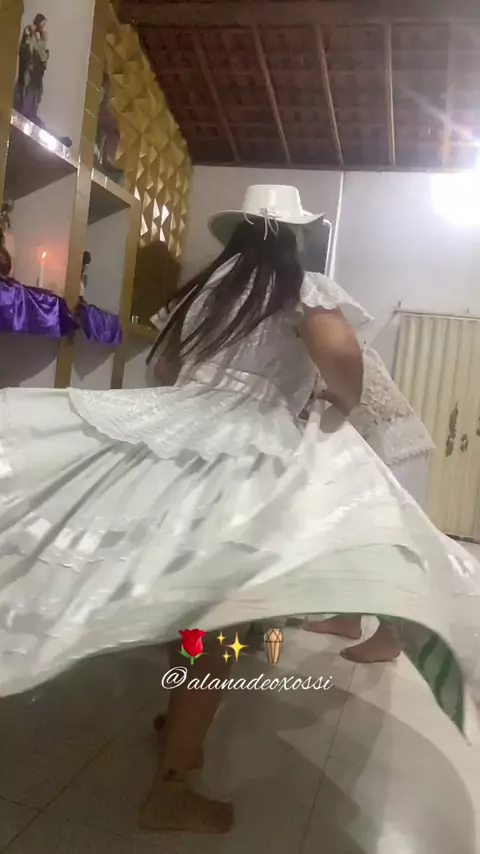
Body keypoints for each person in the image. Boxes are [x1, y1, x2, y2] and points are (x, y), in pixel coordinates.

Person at [1, 185, 480, 834]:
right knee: (224, 615)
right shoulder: (300, 287)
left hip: (182, 433)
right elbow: (342, 357)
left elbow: (165, 366)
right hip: (248, 450)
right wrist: (335, 404)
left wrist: (203, 398)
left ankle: (179, 724)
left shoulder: (210, 290)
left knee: (192, 597)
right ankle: (172, 783)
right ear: (292, 235)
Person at [302, 342, 434, 662]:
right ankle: (349, 619)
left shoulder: (315, 338)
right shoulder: (322, 339)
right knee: (353, 539)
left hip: (393, 446)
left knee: (389, 546)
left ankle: (390, 636)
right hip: (371, 443)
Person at [14, 14, 49, 125]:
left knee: (36, 92)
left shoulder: (41, 37)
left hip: (36, 73)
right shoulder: (30, 31)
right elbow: (25, 48)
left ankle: (31, 113)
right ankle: (24, 110)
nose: (44, 27)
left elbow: (43, 55)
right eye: (43, 24)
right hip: (29, 68)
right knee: (27, 89)